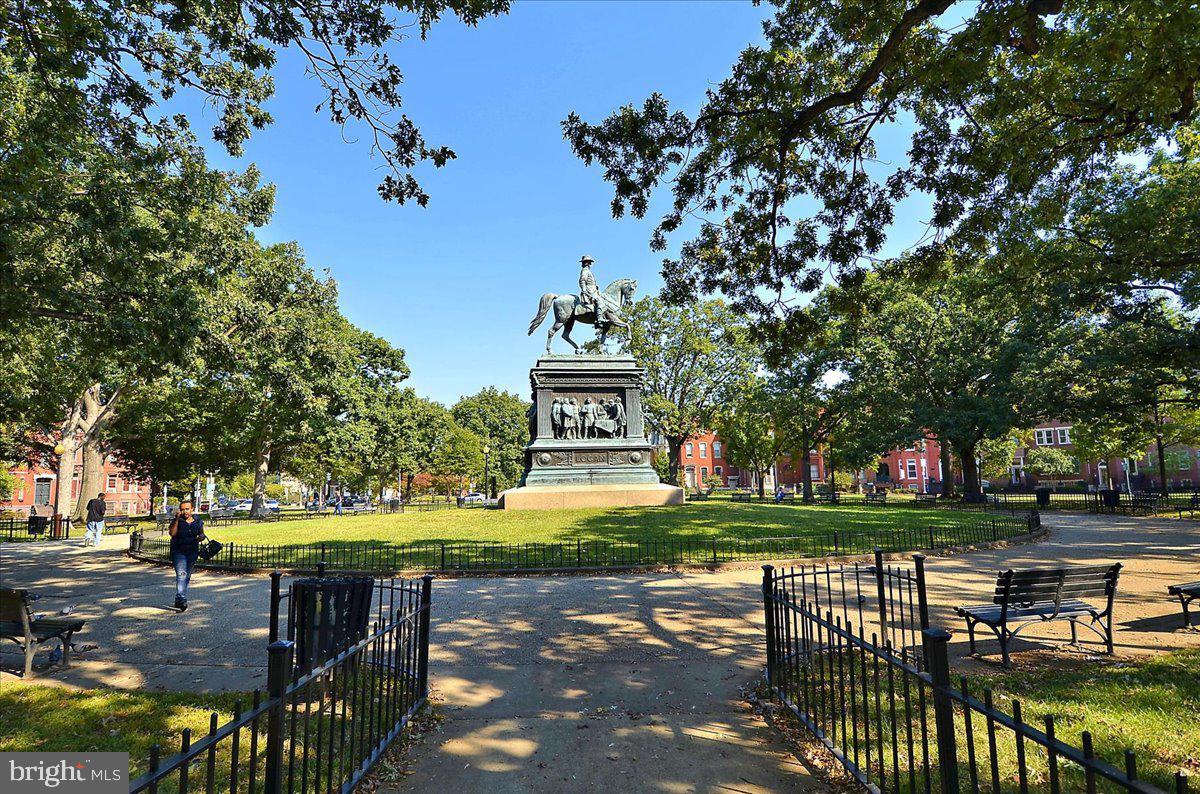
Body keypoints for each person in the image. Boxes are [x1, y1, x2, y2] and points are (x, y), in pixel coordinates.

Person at [168, 499, 206, 611]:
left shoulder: (198, 520)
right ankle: (181, 598)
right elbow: (172, 533)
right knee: (182, 575)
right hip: (178, 551)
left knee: (187, 576)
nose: (185, 511)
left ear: (192, 509)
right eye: (182, 509)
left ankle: (179, 597)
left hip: (192, 551)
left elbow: (202, 533)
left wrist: (201, 537)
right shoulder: (177, 521)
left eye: (187, 509)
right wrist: (176, 519)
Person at [578, 255, 605, 328]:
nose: (590, 264)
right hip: (589, 290)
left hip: (593, 290)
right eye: (589, 262)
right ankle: (599, 319)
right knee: (600, 301)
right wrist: (584, 289)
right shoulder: (585, 270)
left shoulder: (588, 271)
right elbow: (582, 280)